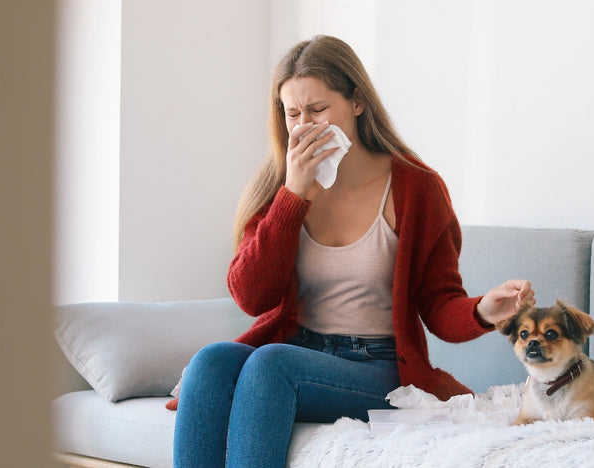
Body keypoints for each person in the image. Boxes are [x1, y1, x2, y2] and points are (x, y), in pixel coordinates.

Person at [172, 35, 535, 468]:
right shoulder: (281, 186)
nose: (304, 124)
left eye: (318, 109)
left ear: (357, 102)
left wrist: (482, 311)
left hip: (377, 367)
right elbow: (251, 297)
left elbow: (438, 303)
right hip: (299, 349)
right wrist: (293, 195)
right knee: (212, 361)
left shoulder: (416, 187)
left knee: (271, 366)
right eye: (292, 113)